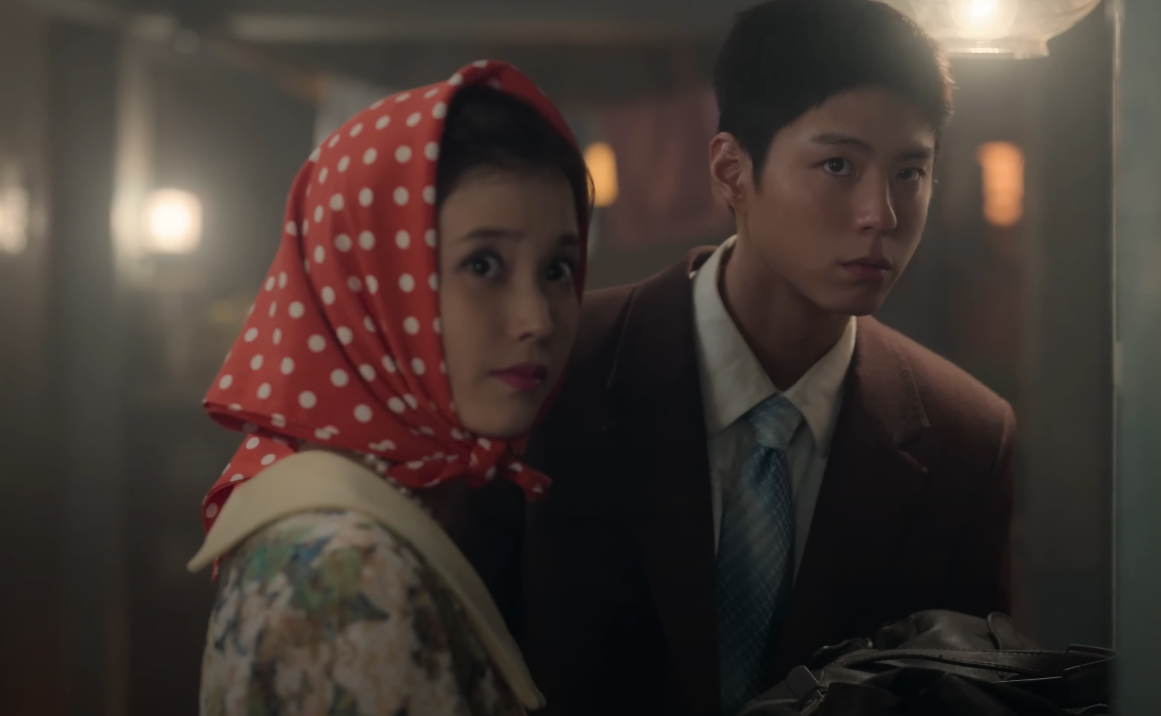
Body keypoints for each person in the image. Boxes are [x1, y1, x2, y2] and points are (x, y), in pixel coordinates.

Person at [513, 1, 1017, 715]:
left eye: (910, 173)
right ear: (731, 172)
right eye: (838, 165)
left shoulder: (965, 437)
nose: (880, 214)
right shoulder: (559, 366)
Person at [186, 61, 591, 716]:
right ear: (369, 281)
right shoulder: (347, 572)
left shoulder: (357, 502)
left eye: (557, 269)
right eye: (482, 264)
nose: (537, 319)